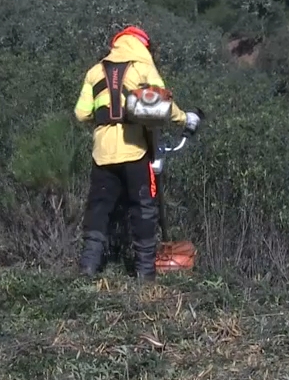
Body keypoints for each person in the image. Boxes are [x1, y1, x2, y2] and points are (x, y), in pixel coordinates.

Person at [73, 25, 200, 280]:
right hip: (136, 151)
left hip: (103, 154)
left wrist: (106, 121)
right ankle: (145, 274)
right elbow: (162, 105)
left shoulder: (95, 71)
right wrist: (186, 119)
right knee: (144, 209)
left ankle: (87, 268)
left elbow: (81, 113)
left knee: (99, 209)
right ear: (143, 45)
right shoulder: (143, 66)